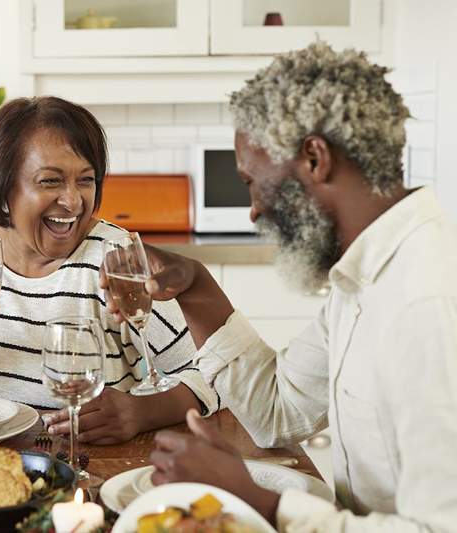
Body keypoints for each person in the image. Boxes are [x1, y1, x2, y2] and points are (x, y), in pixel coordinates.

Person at [102, 42, 457, 530]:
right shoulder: (367, 278)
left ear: (314, 157)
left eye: (252, 180)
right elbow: (278, 411)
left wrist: (262, 502)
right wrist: (195, 286)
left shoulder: (429, 300)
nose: (253, 210)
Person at [0, 96, 218, 444]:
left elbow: (213, 372)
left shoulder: (115, 259)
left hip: (83, 465)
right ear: (3, 186)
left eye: (85, 180)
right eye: (51, 182)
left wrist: (141, 412)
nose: (73, 202)